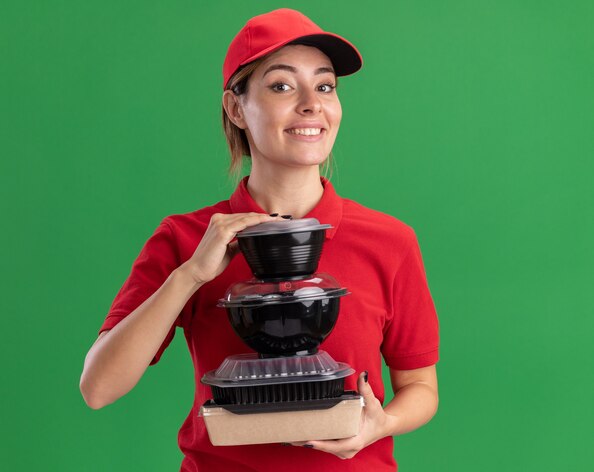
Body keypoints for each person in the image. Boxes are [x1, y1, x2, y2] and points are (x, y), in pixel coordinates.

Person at [80, 8, 439, 471]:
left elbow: (421, 389)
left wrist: (379, 424)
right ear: (236, 108)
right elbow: (98, 389)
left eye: (325, 86)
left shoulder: (390, 240)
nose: (312, 103)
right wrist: (190, 275)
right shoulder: (184, 238)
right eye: (282, 86)